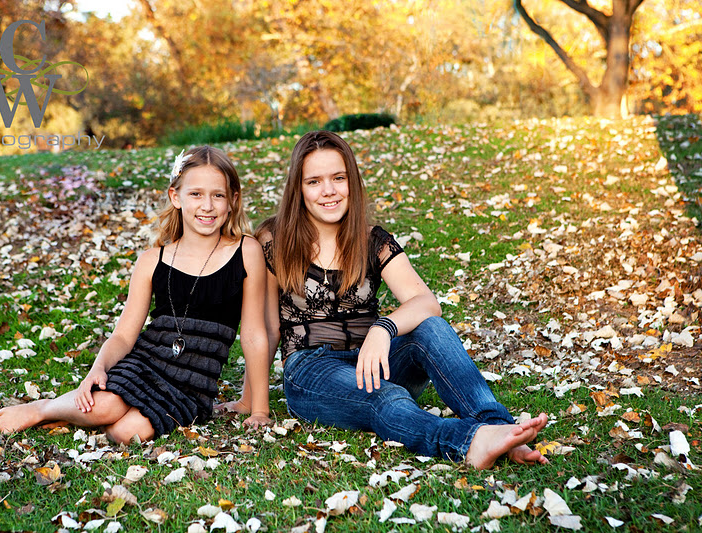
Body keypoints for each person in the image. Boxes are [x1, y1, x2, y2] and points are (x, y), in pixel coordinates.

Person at [225, 131, 548, 469]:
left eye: (339, 178)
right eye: (314, 181)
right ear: (298, 188)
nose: (329, 191)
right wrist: (254, 402)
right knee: (386, 396)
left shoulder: (371, 239)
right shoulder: (274, 240)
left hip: (373, 360)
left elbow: (426, 302)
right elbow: (268, 328)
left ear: (352, 181)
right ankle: (468, 442)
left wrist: (383, 328)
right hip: (311, 372)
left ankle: (500, 429)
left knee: (431, 328)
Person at [0, 146, 272, 443]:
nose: (207, 205)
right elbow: (124, 335)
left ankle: (71, 414)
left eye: (218, 195)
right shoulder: (153, 260)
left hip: (192, 385)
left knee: (125, 433)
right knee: (105, 407)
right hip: (145, 364)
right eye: (196, 194)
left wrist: (260, 409)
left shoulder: (246, 252)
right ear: (176, 197)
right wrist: (98, 368)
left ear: (232, 201)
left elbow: (253, 334)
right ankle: (42, 409)